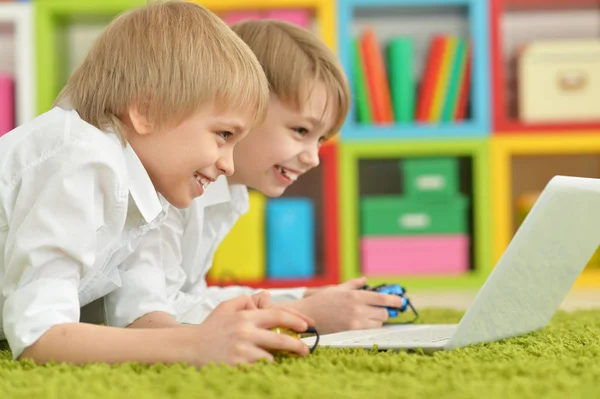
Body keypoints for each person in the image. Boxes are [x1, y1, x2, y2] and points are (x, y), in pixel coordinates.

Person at [0, 2, 313, 368]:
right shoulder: (86, 160)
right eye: (223, 134)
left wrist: (218, 328)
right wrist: (195, 345)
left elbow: (130, 316)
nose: (228, 165)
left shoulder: (143, 188)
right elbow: (41, 336)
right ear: (146, 112)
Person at [158, 20, 405, 335]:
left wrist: (302, 297)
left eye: (320, 140)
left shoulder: (229, 194)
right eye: (300, 130)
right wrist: (299, 313)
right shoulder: (175, 187)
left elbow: (189, 296)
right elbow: (152, 316)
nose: (313, 157)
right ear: (241, 104)